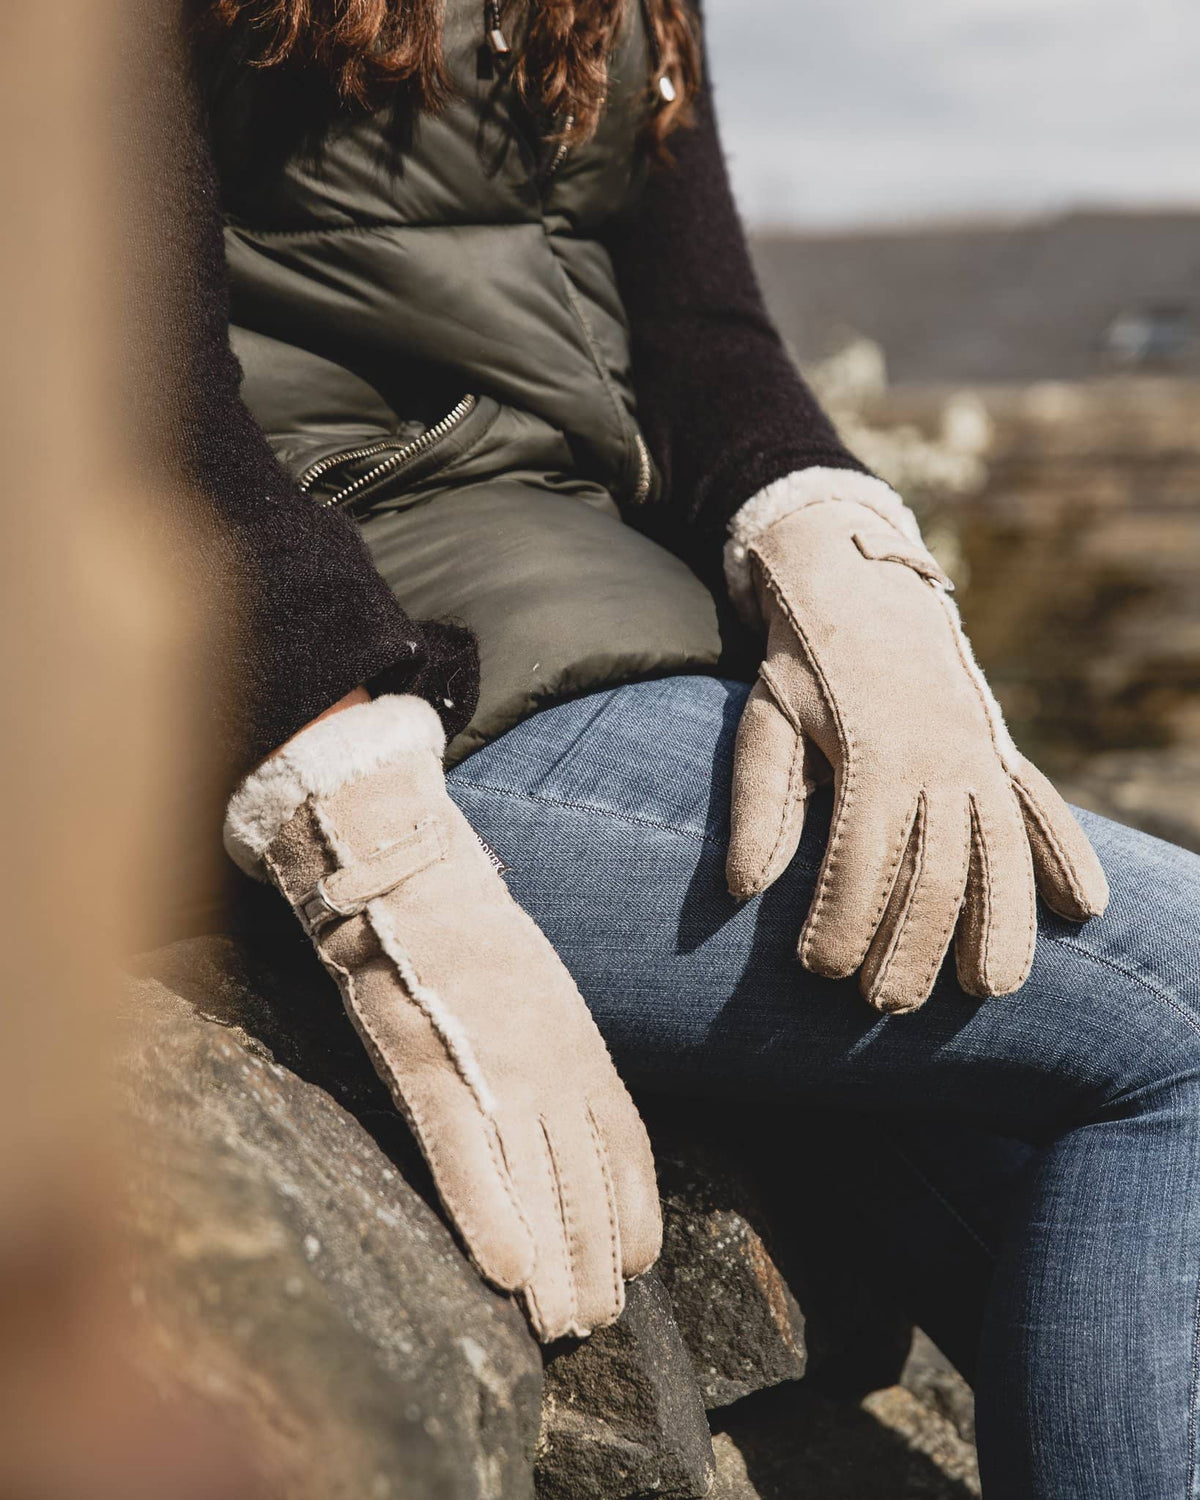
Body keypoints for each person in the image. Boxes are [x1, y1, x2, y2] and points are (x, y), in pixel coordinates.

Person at [140, 1, 1200, 1494]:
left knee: (1057, 1165)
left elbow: (699, 331)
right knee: (1180, 1010)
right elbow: (106, 380)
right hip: (386, 664)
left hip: (626, 623)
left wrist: (835, 557)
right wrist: (354, 815)